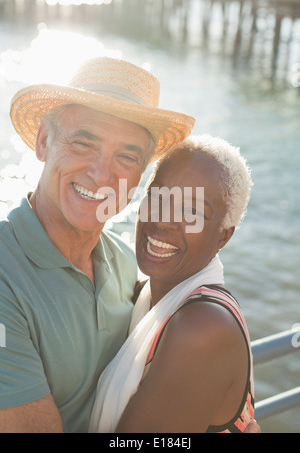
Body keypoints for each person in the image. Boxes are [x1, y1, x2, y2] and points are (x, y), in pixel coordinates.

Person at [0, 56, 195, 433]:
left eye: (126, 156)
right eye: (83, 143)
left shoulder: (124, 261)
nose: (102, 174)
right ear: (43, 141)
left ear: (140, 175)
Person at [89, 135, 256, 433]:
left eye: (192, 212)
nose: (163, 221)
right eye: (157, 197)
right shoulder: (145, 293)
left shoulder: (201, 329)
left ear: (223, 236)